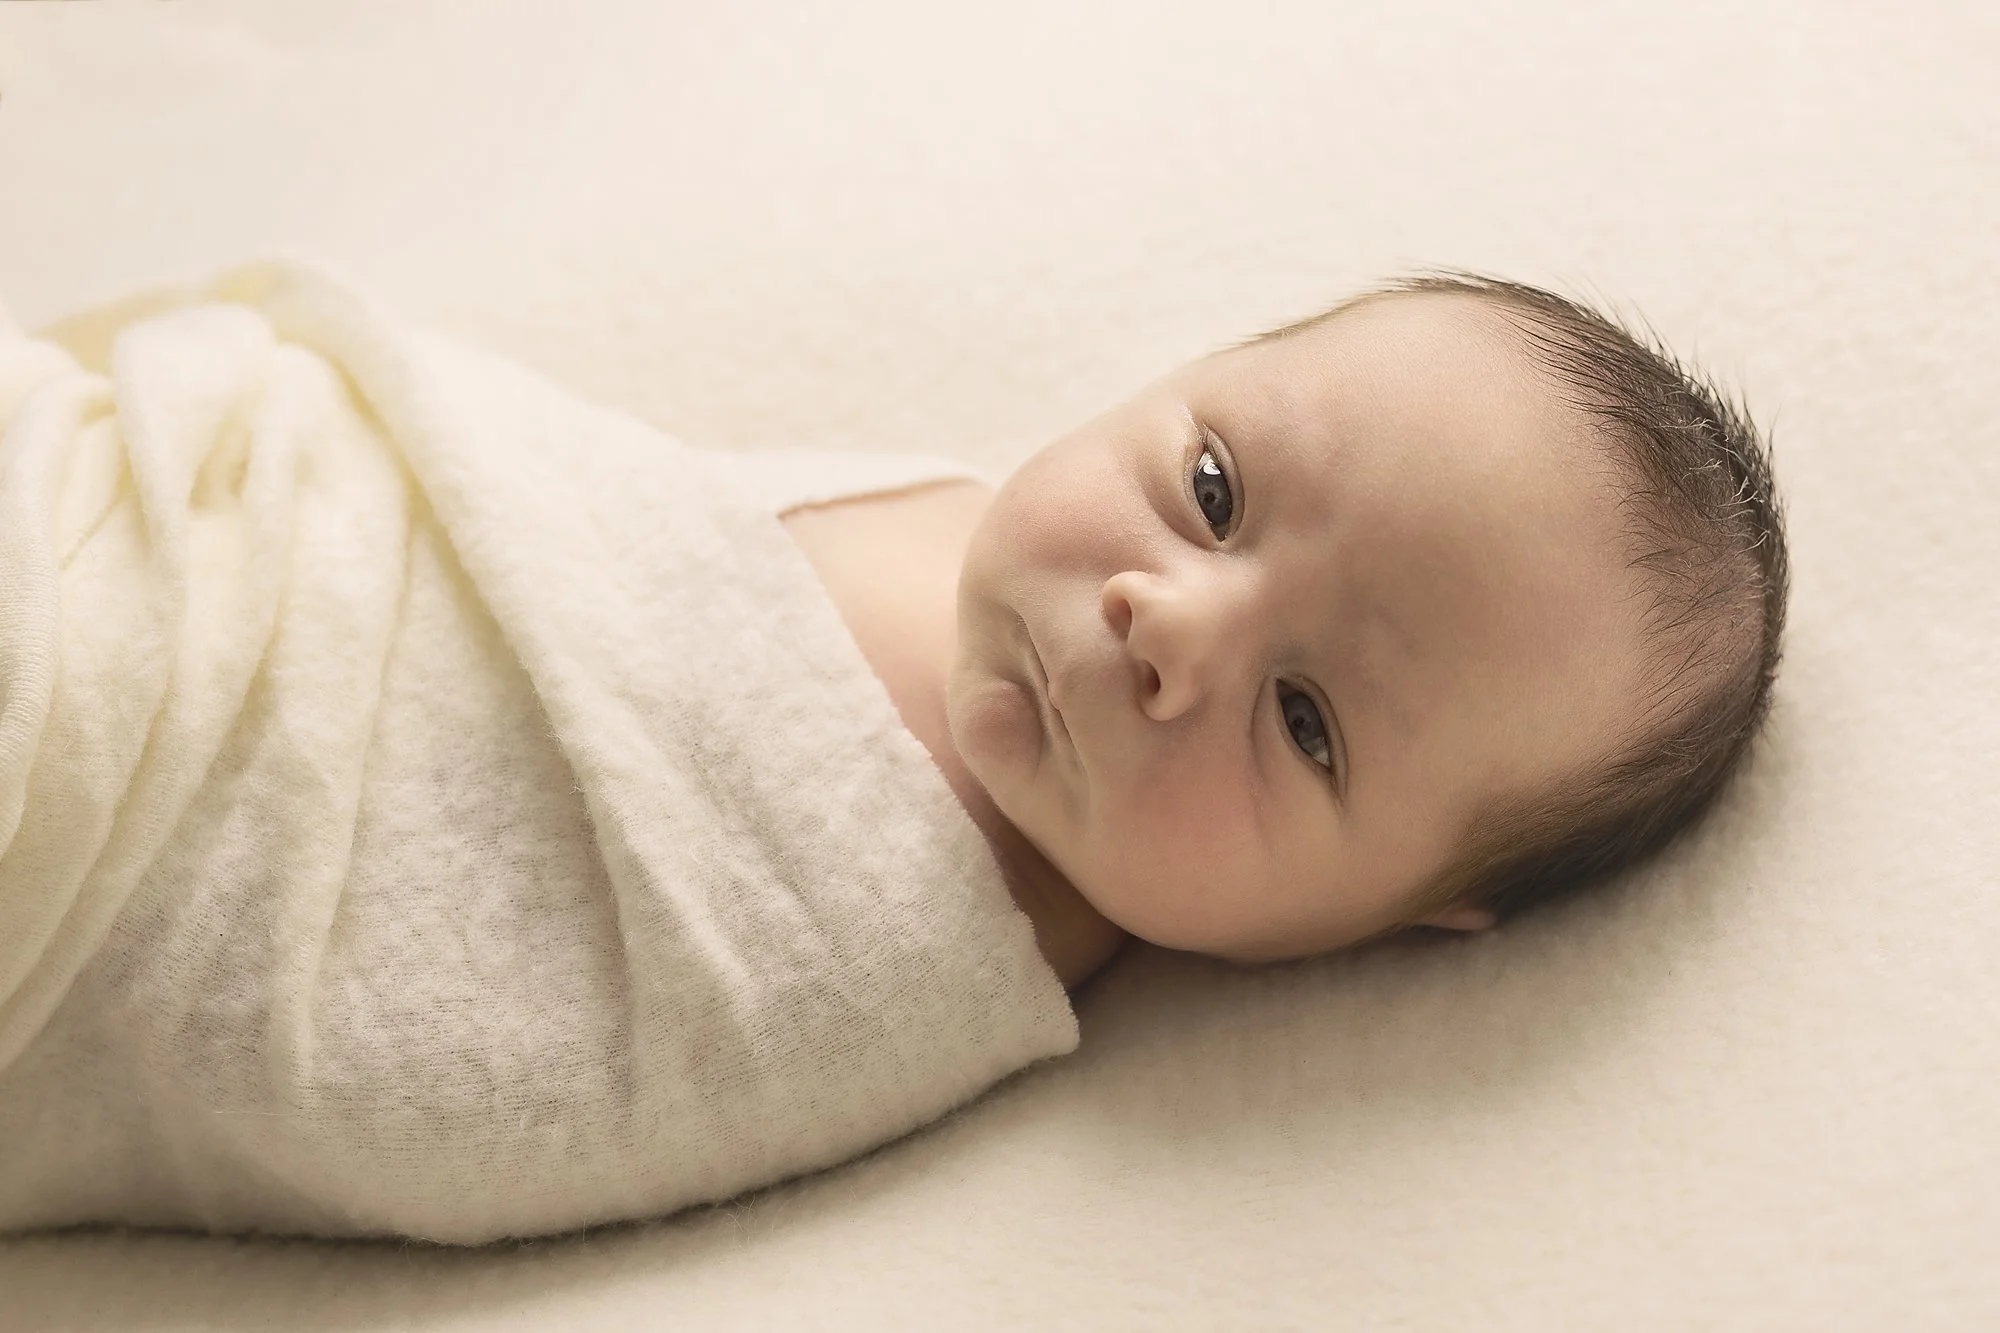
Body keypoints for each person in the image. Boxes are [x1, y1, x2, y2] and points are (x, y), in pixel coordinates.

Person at [0, 264, 1784, 1242]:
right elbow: (484, 518)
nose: (1168, 625)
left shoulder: (883, 965)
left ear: (1407, 920)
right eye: (1215, 489)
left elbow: (399, 1068)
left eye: (1306, 723)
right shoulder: (939, 503)